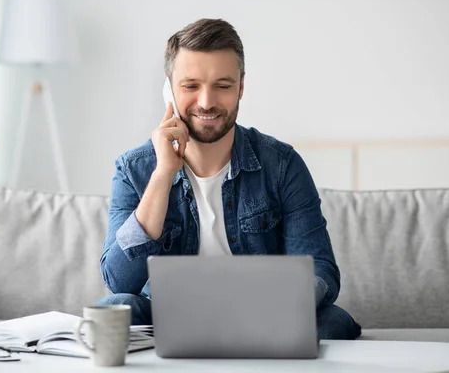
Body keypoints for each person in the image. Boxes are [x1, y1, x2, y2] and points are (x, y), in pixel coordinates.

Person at [98, 18, 362, 340]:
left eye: (222, 86)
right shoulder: (134, 169)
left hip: (267, 314)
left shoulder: (282, 164)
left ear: (241, 87)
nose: (206, 102)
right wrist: (164, 173)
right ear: (169, 88)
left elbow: (321, 270)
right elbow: (119, 281)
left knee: (335, 322)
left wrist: (274, 306)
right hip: (166, 316)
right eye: (191, 86)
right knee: (113, 308)